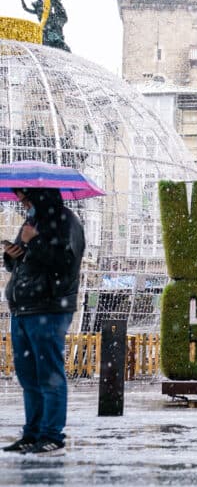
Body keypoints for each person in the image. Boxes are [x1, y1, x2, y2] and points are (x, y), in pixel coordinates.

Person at [2, 187, 85, 455]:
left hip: (48, 308)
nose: (22, 203)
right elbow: (21, 262)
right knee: (28, 376)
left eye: (25, 198)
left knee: (48, 374)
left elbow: (66, 262)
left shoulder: (66, 221)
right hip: (23, 308)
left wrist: (34, 241)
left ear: (39, 195)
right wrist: (12, 254)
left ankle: (51, 435)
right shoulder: (32, 222)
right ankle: (32, 433)